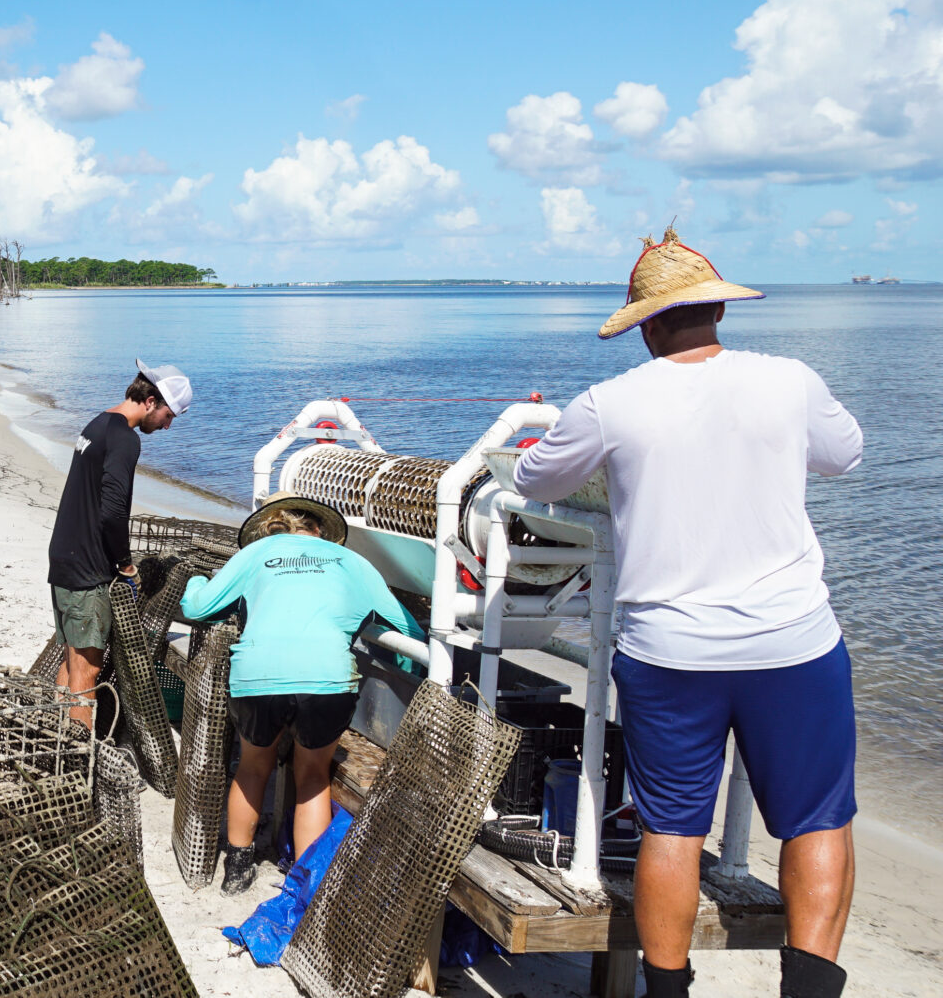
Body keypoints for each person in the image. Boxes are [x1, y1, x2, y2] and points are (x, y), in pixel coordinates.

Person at [514, 228, 863, 998]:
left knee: (672, 829)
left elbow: (537, 479)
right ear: (717, 311)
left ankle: (667, 993)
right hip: (792, 644)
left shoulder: (612, 403)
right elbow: (847, 452)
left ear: (646, 323)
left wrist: (557, 442)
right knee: (815, 821)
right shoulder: (790, 380)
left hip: (669, 651)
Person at [179, 496, 427, 893]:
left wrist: (196, 580)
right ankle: (305, 881)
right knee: (312, 776)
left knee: (253, 766)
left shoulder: (257, 553)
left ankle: (238, 869)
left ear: (271, 529)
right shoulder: (354, 563)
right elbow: (410, 631)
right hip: (325, 682)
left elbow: (196, 607)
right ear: (318, 530)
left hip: (257, 678)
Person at [46, 358, 191, 727]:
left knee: (72, 661)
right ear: (151, 401)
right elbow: (112, 513)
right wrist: (126, 566)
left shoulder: (99, 423)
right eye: (169, 415)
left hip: (64, 556)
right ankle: (79, 764)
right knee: (87, 673)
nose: (169, 425)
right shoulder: (125, 439)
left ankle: (59, 744)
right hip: (87, 570)